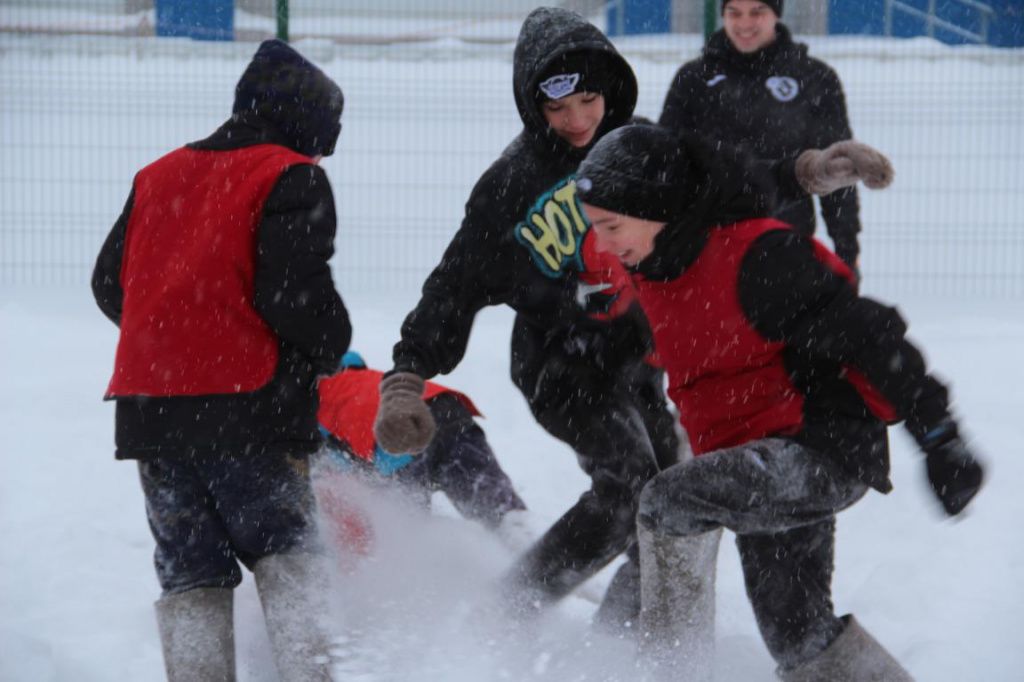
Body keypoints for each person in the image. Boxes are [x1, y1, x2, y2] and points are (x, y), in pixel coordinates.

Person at [575, 123, 985, 680]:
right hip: (754, 458)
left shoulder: (759, 259)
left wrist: (940, 437)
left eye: (611, 226)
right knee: (796, 632)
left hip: (818, 448)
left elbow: (872, 336)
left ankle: (666, 674)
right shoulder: (654, 265)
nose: (603, 243)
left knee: (670, 501)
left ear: (657, 207)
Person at [370, 6, 682, 629]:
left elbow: (715, 204)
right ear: (531, 106)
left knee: (674, 495)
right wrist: (406, 376)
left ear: (610, 89)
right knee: (629, 487)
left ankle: (630, 636)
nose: (575, 121)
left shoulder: (645, 150)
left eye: (589, 100)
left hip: (634, 358)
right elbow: (453, 287)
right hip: (560, 368)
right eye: (556, 109)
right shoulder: (510, 186)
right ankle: (509, 611)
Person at [91, 39, 350, 682]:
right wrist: (329, 346)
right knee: (287, 551)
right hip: (250, 411)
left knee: (190, 570)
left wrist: (177, 337)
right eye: (320, 143)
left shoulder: (156, 176)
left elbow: (108, 284)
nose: (317, 158)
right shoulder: (289, 173)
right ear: (303, 128)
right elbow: (294, 295)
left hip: (154, 415)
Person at [659, 0, 864, 272]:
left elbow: (836, 166)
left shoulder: (814, 77)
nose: (745, 23)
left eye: (757, 12)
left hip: (787, 242)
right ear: (723, 15)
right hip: (708, 243)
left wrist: (846, 246)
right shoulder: (694, 78)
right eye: (734, 13)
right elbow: (665, 163)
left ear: (776, 14)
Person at [316, 350, 531, 545]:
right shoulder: (377, 379)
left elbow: (336, 465)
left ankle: (437, 566)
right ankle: (520, 536)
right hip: (448, 410)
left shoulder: (316, 403)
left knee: (411, 533)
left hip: (400, 438)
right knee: (493, 505)